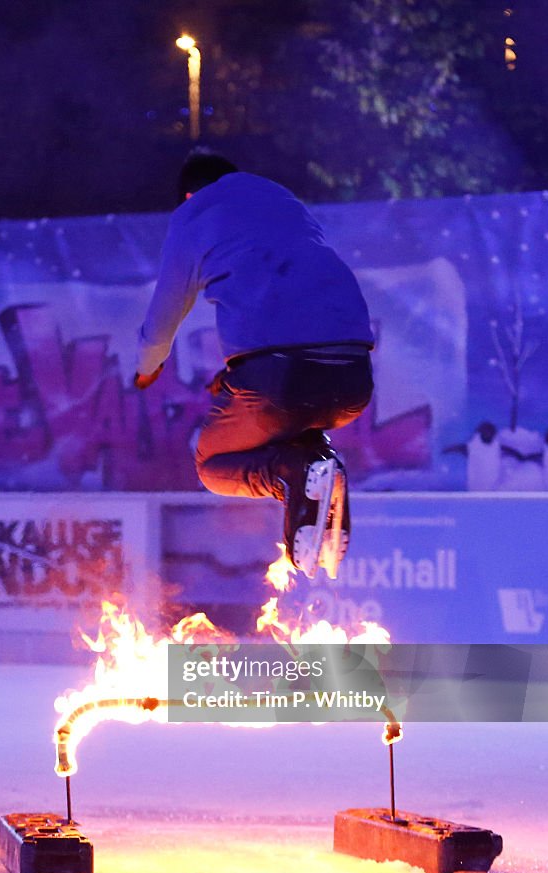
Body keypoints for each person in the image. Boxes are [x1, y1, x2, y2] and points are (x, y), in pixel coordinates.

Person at [135, 151, 374, 579]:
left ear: (189, 195)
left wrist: (147, 366)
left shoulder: (193, 214)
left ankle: (292, 473)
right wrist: (238, 373)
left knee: (212, 463)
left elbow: (162, 320)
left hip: (280, 375)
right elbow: (299, 301)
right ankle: (322, 464)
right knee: (290, 418)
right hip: (353, 379)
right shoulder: (285, 202)